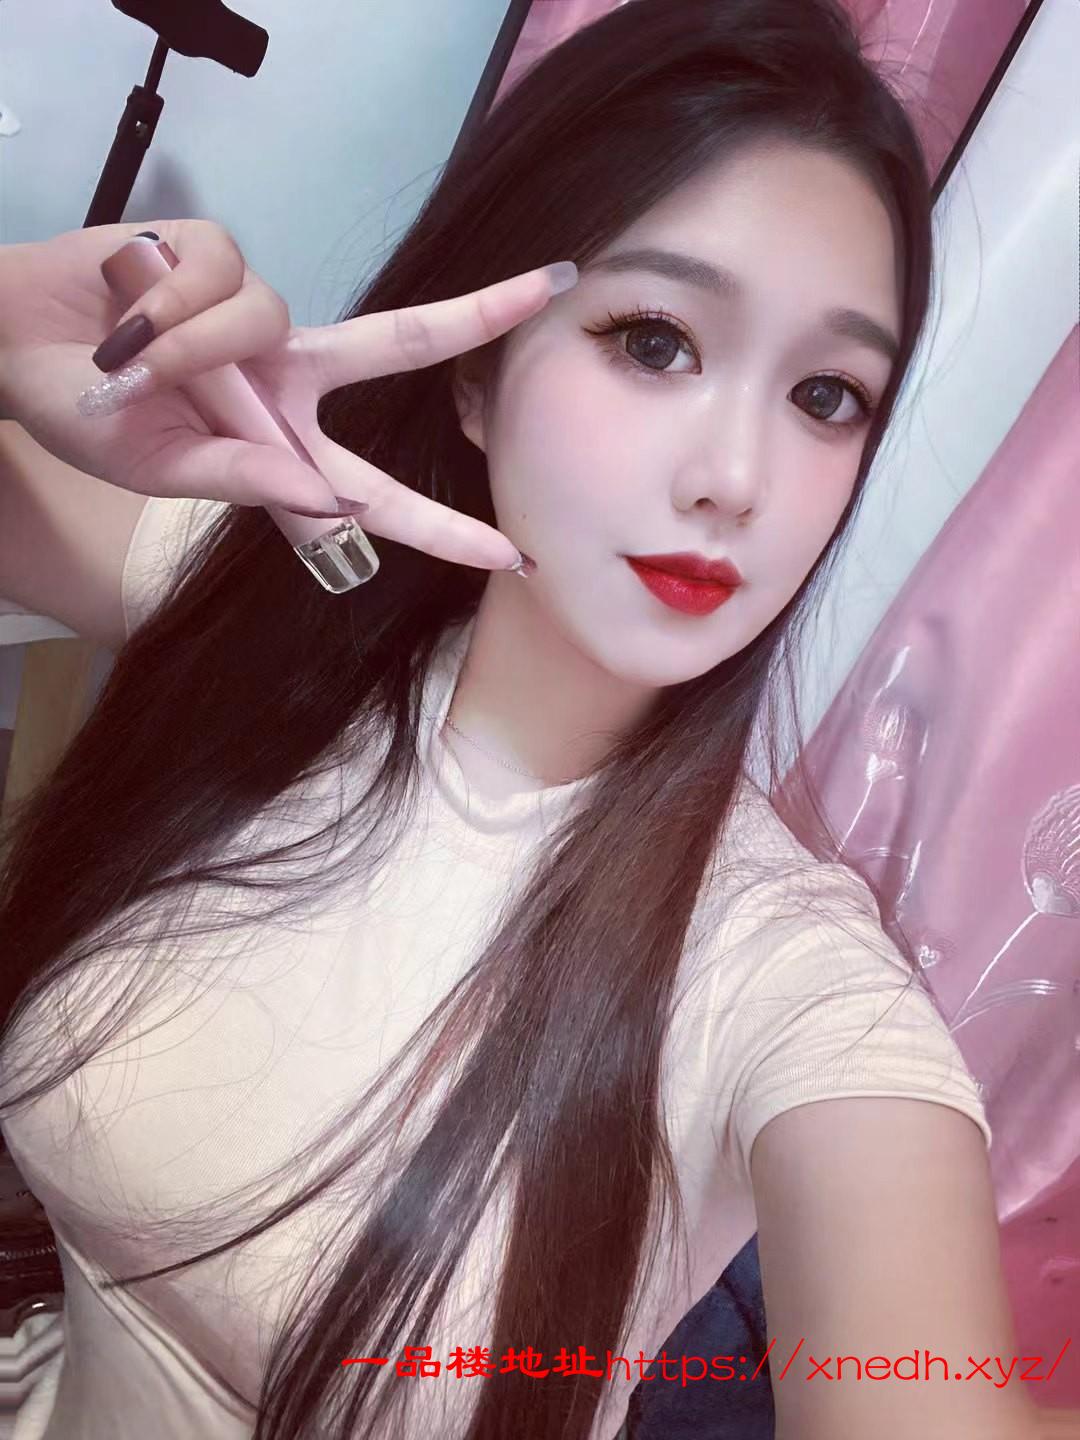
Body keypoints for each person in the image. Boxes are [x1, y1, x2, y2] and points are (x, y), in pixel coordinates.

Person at [0, 1, 1052, 1437]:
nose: (738, 478)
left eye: (825, 395)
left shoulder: (792, 983)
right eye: (655, 341)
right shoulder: (264, 617)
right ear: (477, 380)